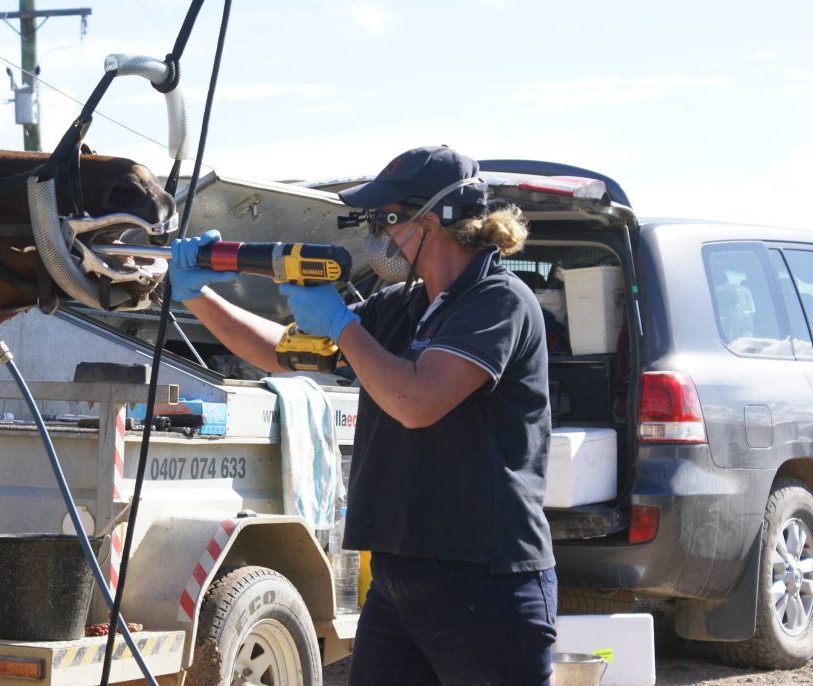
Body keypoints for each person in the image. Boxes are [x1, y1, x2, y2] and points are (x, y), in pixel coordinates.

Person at [169, 145, 557, 685]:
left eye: (387, 218)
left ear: (436, 219)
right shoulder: (402, 304)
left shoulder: (497, 301)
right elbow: (280, 351)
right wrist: (198, 295)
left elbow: (416, 403)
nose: (377, 234)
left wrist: (341, 326)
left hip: (485, 579)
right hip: (401, 573)